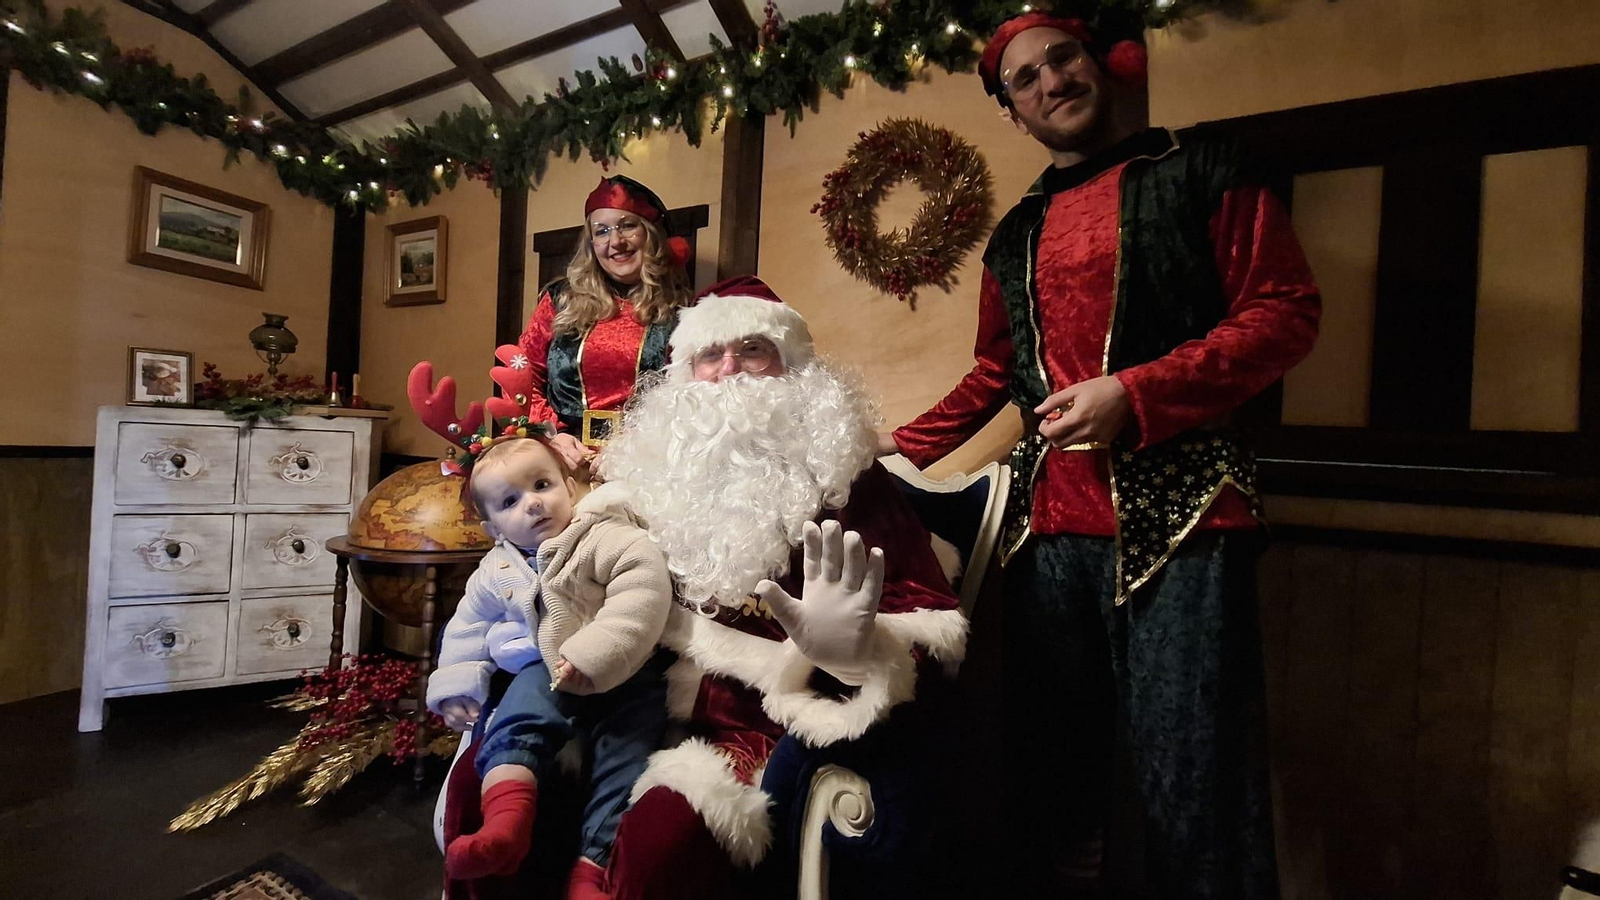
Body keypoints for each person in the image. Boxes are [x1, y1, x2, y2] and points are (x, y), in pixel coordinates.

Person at [880, 13, 1321, 899]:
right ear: (1013, 111)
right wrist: (886, 448)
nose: (1051, 81)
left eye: (1062, 59)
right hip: (1047, 535)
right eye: (1026, 80)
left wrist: (1139, 392)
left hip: (1188, 519)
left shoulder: (1201, 172)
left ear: (1099, 63)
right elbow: (998, 375)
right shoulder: (1014, 235)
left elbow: (1283, 312)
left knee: (1195, 775)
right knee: (1052, 775)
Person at [577, 276, 969, 899]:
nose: (730, 369)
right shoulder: (652, 475)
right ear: (686, 373)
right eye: (711, 354)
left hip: (763, 727)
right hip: (639, 696)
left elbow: (929, 615)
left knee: (662, 846)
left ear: (792, 366)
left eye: (752, 348)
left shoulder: (851, 480)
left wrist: (855, 655)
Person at [409, 352, 673, 900]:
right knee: (518, 717)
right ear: (489, 525)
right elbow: (465, 628)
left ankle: (592, 868)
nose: (532, 505)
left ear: (570, 486)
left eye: (543, 485)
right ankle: (506, 822)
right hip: (543, 669)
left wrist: (598, 651)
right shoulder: (496, 568)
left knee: (628, 756)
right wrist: (457, 681)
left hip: (627, 676)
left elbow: (642, 591)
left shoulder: (605, 536)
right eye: (510, 501)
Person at [518, 175, 694, 470]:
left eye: (627, 225)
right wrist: (551, 435)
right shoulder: (559, 299)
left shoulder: (681, 310)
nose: (616, 241)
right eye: (601, 231)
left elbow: (689, 398)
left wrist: (634, 452)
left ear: (650, 234)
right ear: (591, 244)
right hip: (559, 460)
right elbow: (522, 377)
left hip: (643, 466)